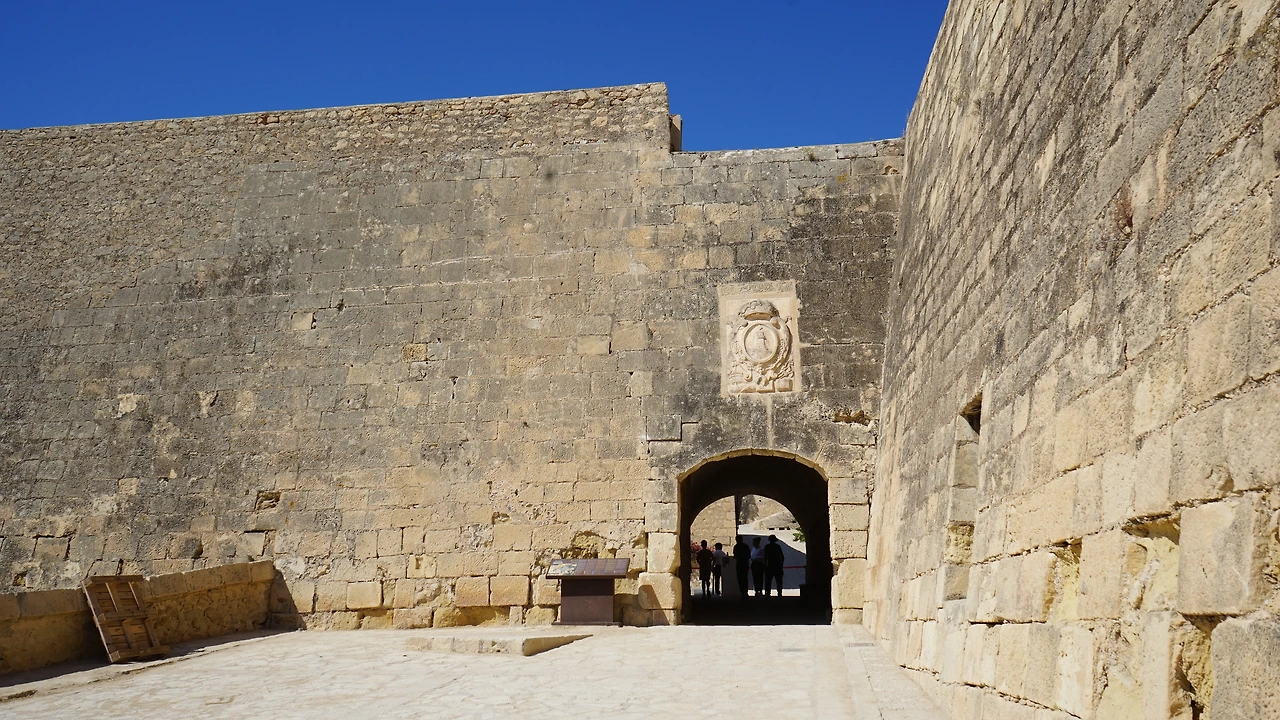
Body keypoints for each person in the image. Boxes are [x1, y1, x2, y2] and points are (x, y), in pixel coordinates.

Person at [732, 536, 751, 601]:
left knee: (740, 579)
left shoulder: (736, 547)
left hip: (739, 564)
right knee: (745, 578)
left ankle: (742, 593)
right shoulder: (746, 546)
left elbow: (735, 556)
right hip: (745, 564)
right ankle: (745, 592)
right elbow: (749, 556)